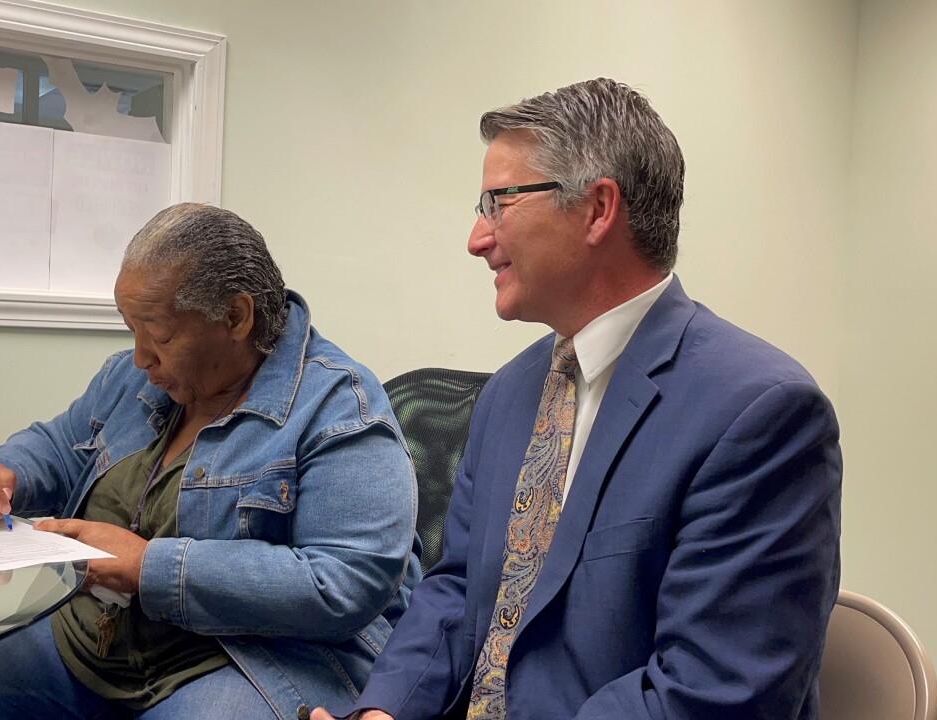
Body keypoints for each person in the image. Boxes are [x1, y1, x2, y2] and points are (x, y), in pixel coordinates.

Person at [315, 78, 843, 720]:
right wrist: (385, 712)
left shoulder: (761, 412)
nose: (476, 238)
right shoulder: (510, 392)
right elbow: (456, 593)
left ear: (597, 209)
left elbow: (713, 693)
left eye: (497, 202)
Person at [0, 203, 422, 720]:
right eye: (130, 329)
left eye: (158, 335)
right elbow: (60, 444)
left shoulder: (341, 407)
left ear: (235, 317)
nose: (140, 357)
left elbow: (344, 582)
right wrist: (1, 476)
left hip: (248, 657)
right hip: (96, 642)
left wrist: (148, 566)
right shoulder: (133, 378)